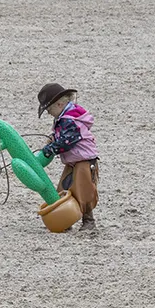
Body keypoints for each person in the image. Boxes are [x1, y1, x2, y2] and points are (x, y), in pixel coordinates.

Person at [37, 83, 100, 231]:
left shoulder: (69, 119)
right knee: (63, 188)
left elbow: (68, 141)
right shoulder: (65, 118)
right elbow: (63, 136)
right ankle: (66, 219)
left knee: (83, 189)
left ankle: (88, 220)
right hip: (73, 161)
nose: (48, 113)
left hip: (84, 160)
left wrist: (50, 149)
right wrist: (54, 138)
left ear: (59, 104)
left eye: (49, 109)